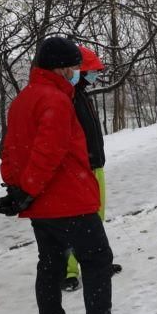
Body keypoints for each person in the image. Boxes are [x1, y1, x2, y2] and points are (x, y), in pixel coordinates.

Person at [0, 36, 146, 314]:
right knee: (97, 261)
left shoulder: (24, 99)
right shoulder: (56, 101)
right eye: (75, 67)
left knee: (49, 267)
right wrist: (27, 190)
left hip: (42, 206)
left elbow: (12, 150)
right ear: (60, 68)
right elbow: (49, 152)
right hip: (68, 200)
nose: (79, 72)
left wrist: (16, 189)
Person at [62, 45, 121, 292]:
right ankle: (69, 271)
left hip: (95, 167)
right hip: (79, 171)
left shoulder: (82, 96)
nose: (95, 75)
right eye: (92, 70)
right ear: (79, 70)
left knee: (96, 220)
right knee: (75, 225)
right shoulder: (67, 98)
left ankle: (98, 264)